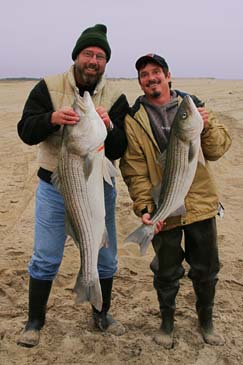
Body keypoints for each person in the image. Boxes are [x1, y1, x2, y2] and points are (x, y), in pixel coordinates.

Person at [17, 24, 129, 348]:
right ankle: (34, 320)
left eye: (100, 56)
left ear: (105, 62)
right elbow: (25, 130)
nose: (93, 60)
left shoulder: (117, 96)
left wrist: (109, 125)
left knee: (105, 258)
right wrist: (51, 119)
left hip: (98, 188)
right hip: (54, 187)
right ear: (77, 56)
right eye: (88, 54)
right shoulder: (48, 86)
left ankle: (101, 313)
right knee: (45, 257)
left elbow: (120, 148)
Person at [120, 53, 232, 349]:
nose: (152, 78)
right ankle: (167, 322)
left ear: (168, 76)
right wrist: (146, 208)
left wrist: (205, 126)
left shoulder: (194, 108)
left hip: (200, 205)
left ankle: (205, 321)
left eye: (157, 72)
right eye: (145, 74)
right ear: (140, 82)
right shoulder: (134, 119)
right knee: (166, 271)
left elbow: (219, 149)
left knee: (206, 268)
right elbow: (134, 167)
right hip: (165, 206)